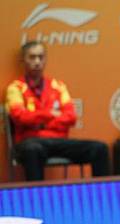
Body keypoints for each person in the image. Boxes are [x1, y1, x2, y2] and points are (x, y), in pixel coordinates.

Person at [5, 40, 109, 181]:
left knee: (99, 149)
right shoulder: (15, 88)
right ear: (23, 60)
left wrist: (40, 123)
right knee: (32, 150)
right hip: (30, 142)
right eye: (32, 57)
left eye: (41, 57)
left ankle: (102, 197)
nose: (37, 61)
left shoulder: (58, 86)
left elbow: (71, 117)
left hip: (58, 141)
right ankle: (38, 200)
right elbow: (20, 117)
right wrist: (49, 114)